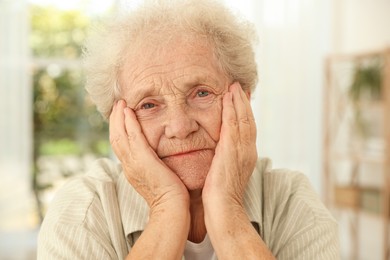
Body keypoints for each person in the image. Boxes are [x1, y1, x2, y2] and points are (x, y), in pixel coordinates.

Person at [37, 0, 340, 259]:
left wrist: (228, 210)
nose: (180, 127)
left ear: (243, 100)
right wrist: (166, 209)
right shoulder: (81, 212)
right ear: (117, 122)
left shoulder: (292, 202)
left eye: (202, 93)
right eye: (149, 105)